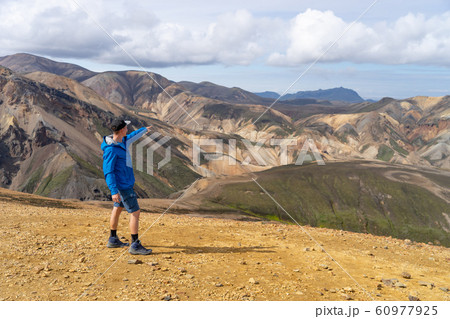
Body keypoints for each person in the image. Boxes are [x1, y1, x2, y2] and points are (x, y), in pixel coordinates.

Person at [101, 119, 152, 255]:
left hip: (122, 184)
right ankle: (135, 245)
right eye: (126, 127)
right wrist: (113, 191)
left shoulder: (122, 141)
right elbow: (108, 171)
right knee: (135, 212)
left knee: (117, 208)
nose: (128, 129)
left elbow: (131, 136)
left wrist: (144, 130)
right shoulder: (111, 149)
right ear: (122, 129)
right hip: (123, 186)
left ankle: (113, 239)